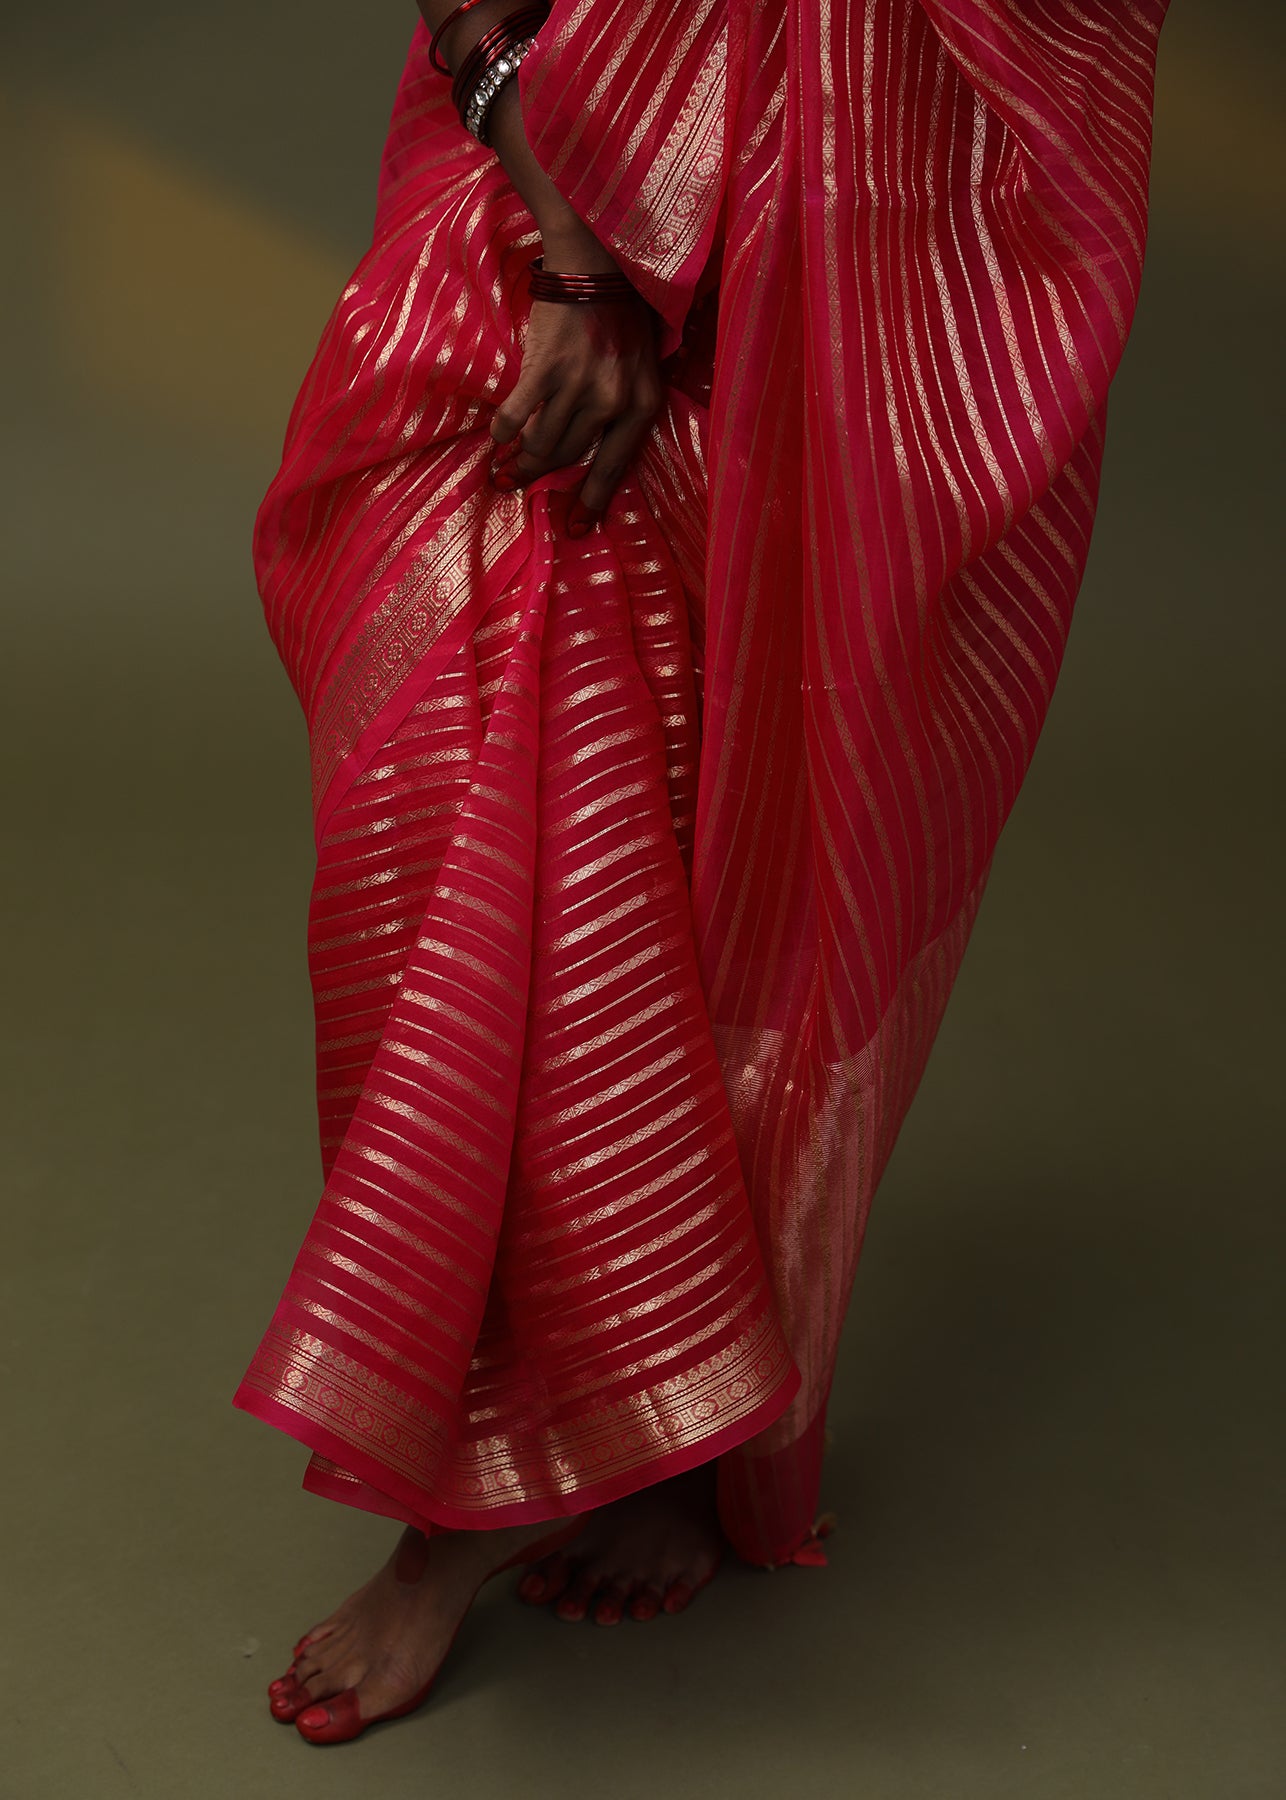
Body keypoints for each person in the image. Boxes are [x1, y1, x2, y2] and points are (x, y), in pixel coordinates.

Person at [238, 0, 1170, 1746]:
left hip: (828, 291)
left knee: (719, 857)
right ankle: (460, 1493)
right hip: (535, 232)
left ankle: (675, 1411)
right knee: (467, 801)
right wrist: (584, 264)